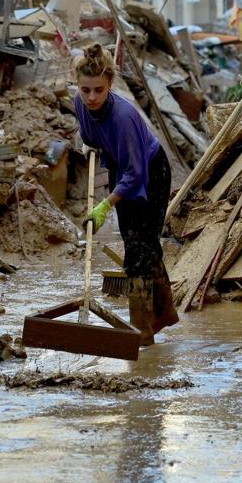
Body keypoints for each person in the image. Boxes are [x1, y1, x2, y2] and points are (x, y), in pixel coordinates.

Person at [73, 43, 178, 345]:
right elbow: (88, 133)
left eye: (98, 90)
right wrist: (88, 142)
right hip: (122, 167)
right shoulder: (80, 103)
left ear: (110, 86)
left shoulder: (123, 117)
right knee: (139, 244)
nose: (91, 97)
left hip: (150, 171)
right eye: (85, 90)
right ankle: (164, 314)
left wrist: (105, 205)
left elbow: (135, 175)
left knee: (138, 251)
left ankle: (142, 332)